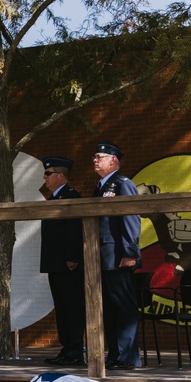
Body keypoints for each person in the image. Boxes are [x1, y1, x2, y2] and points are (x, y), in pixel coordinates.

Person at [92, 141, 142, 370]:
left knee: (124, 308)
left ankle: (128, 357)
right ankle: (114, 354)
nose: (95, 160)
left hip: (118, 256)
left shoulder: (123, 184)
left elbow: (130, 218)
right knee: (109, 309)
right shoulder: (101, 186)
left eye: (99, 156)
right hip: (102, 257)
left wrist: (130, 252)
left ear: (113, 160)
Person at [38, 157, 85, 366]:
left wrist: (72, 257)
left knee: (73, 307)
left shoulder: (71, 196)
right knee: (62, 308)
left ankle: (75, 350)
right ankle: (67, 349)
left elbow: (74, 229)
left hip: (68, 264)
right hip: (55, 263)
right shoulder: (54, 197)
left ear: (60, 175)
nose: (45, 177)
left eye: (48, 173)